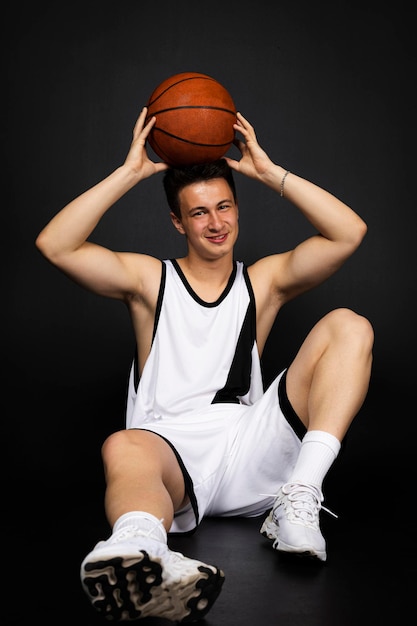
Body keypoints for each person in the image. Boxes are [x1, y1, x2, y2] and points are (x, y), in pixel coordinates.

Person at [35, 107, 373, 623]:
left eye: (225, 207)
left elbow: (349, 232)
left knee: (350, 325)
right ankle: (142, 553)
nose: (216, 223)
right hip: (169, 454)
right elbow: (54, 245)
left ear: (238, 209)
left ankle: (299, 496)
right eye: (199, 213)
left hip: (249, 447)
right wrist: (128, 173)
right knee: (122, 444)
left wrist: (270, 173)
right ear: (177, 221)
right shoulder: (150, 282)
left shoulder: (263, 282)